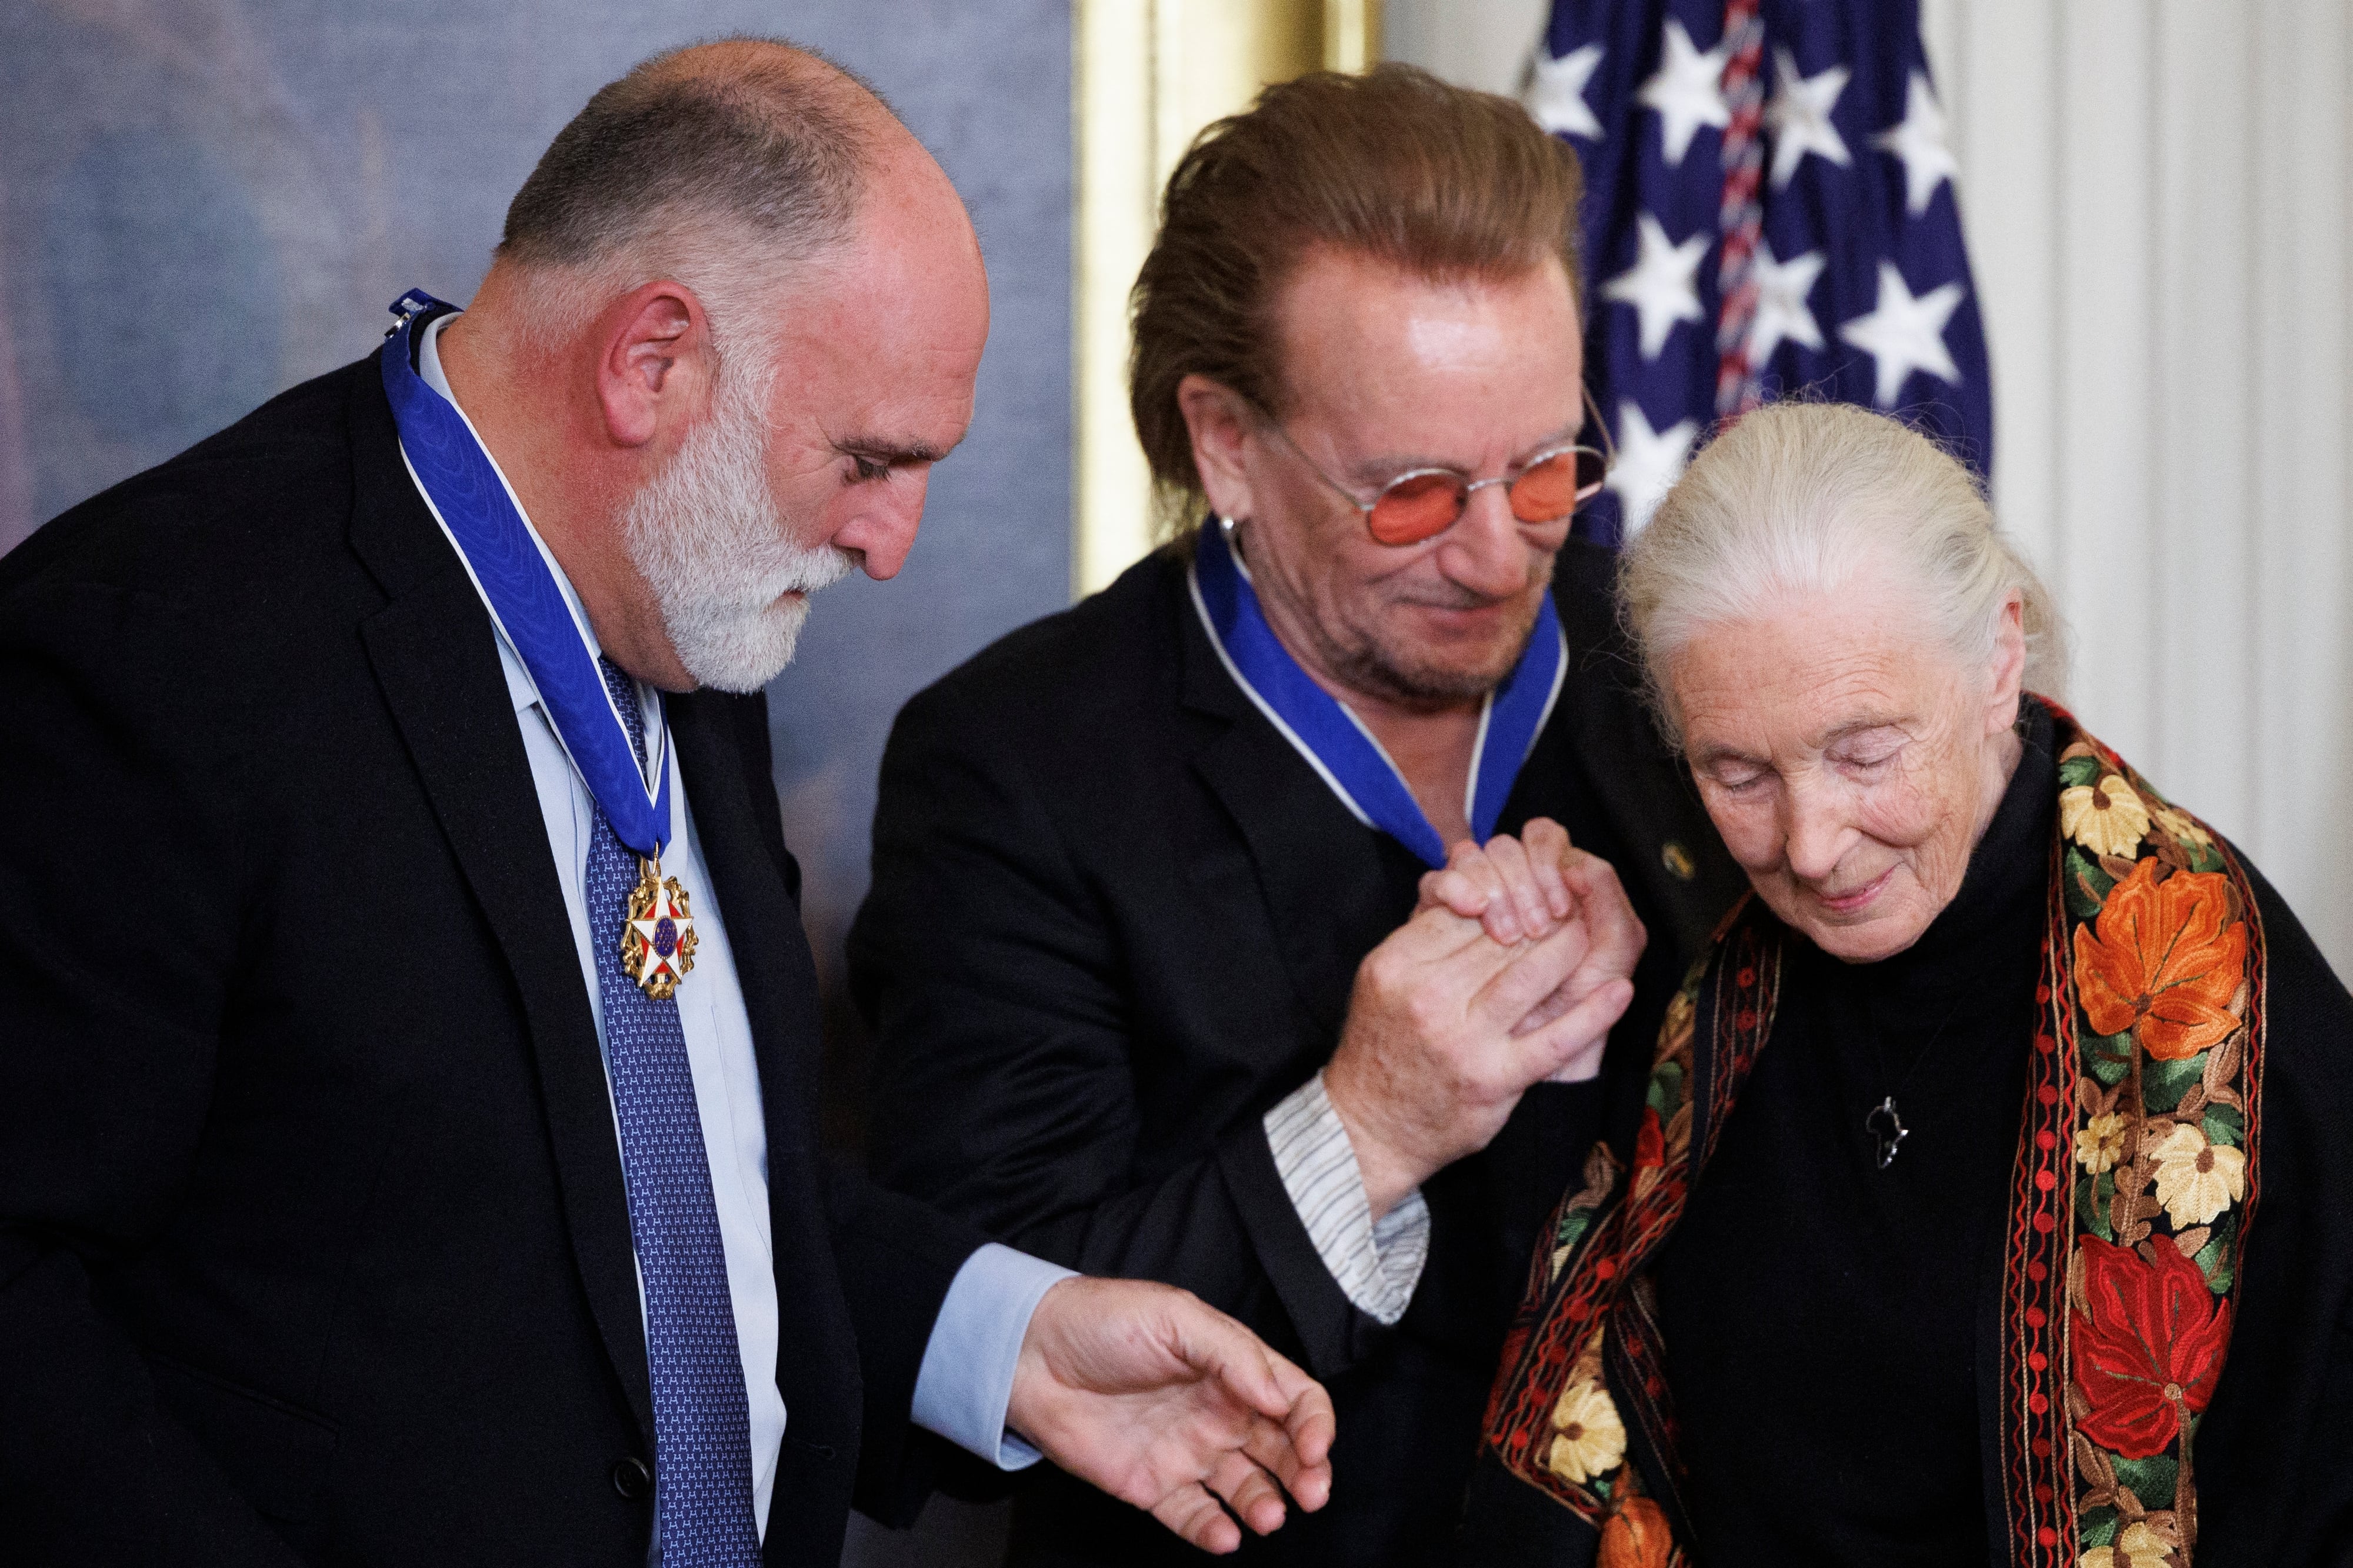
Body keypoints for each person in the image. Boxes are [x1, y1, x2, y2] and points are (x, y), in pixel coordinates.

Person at [0, 39, 1338, 1566]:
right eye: (869, 459)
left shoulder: (693, 600)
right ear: (653, 362)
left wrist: (1008, 1339)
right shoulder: (145, 652)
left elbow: (665, 1192)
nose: (889, 543)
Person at [849, 65, 1744, 1564]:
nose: (1493, 553)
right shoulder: (1014, 769)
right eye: (1408, 491)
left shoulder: (1676, 671)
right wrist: (1367, 1122)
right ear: (1226, 444)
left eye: (1542, 470)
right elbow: (997, 1351)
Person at [1467, 401, 2353, 1567]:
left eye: (1863, 751)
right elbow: (1590, 1393)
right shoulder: (1716, 995)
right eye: (1735, 770)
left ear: (1995, 658)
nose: (1810, 843)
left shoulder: (2226, 1018)